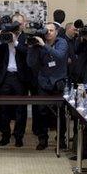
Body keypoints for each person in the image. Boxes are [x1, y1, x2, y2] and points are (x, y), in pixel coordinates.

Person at [27, 22, 67, 150]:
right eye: (46, 30)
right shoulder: (38, 44)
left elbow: (59, 56)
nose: (48, 33)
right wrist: (32, 47)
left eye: (51, 30)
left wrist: (44, 45)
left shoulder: (61, 42)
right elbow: (31, 63)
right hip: (43, 82)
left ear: (56, 32)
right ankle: (43, 139)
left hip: (58, 81)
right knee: (42, 112)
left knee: (59, 113)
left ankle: (61, 140)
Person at [0, 22, 28, 147]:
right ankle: (5, 135)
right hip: (5, 76)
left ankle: (19, 136)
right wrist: (0, 40)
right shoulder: (4, 37)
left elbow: (27, 52)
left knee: (21, 109)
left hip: (20, 77)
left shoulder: (25, 37)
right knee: (4, 109)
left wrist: (15, 42)